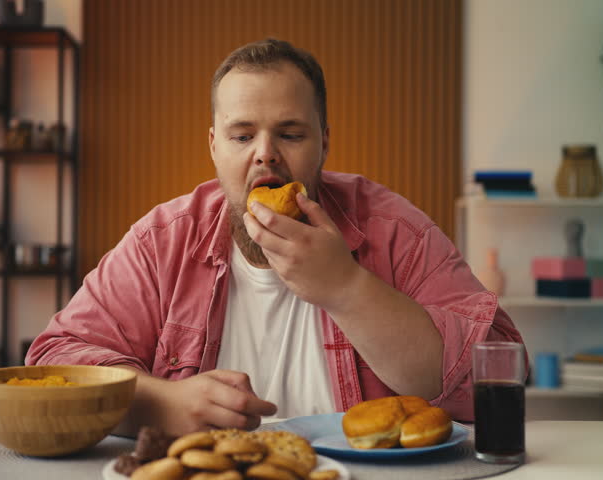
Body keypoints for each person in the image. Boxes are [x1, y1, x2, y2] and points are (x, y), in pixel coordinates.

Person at [26, 38, 523, 437]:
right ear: (214, 146)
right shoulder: (163, 242)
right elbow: (55, 361)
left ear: (324, 142)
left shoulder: (393, 230)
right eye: (242, 136)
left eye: (290, 134)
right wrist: (158, 402)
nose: (265, 155)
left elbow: (500, 372)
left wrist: (347, 289)